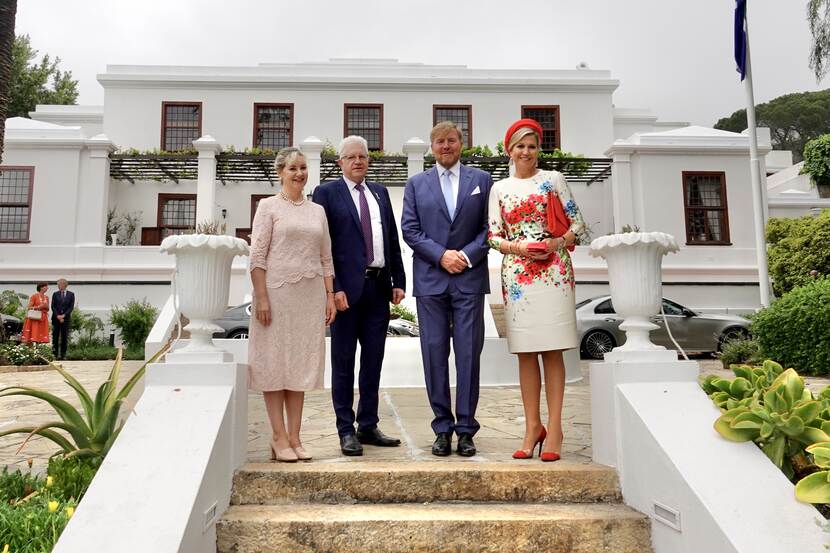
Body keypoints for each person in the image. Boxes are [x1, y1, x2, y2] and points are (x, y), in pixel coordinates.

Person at [486, 118, 587, 462]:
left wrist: (557, 241)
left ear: (538, 149)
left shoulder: (553, 180)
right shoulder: (499, 188)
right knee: (526, 351)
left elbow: (579, 225)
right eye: (519, 146)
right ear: (509, 151)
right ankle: (532, 426)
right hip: (518, 276)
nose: (526, 152)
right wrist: (519, 249)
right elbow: (494, 236)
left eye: (531, 145)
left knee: (553, 350)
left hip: (555, 271)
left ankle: (555, 428)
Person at [401, 121, 492, 457]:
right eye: (439, 142)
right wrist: (441, 256)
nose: (445, 146)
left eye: (451, 140)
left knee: (469, 355)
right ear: (432, 146)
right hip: (431, 281)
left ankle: (466, 430)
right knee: (434, 355)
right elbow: (409, 229)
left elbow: (489, 228)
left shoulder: (481, 181)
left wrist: (465, 257)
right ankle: (442, 427)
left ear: (461, 143)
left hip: (469, 280)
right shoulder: (416, 184)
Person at [312, 136, 407, 456]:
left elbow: (390, 238)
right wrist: (333, 287)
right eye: (350, 157)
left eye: (362, 157)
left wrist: (398, 279)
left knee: (373, 361)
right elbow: (322, 245)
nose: (357, 162)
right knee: (343, 361)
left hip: (379, 287)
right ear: (340, 162)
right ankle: (345, 429)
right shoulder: (327, 193)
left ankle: (368, 424)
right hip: (345, 292)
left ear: (369, 161)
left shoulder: (379, 192)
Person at [248, 147, 336, 463]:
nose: (299, 173)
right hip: (275, 295)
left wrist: (329, 295)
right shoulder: (268, 207)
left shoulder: (317, 211)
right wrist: (260, 297)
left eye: (303, 167)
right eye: (292, 168)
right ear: (280, 172)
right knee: (275, 365)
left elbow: (326, 256)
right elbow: (257, 255)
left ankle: (296, 437)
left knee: (298, 366)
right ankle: (277, 436)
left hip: (309, 297)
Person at [51, 278, 75, 360]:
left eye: (59, 284)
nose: (58, 286)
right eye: (58, 285)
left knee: (64, 337)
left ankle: (63, 354)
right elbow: (53, 306)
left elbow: (71, 307)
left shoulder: (71, 294)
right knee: (55, 337)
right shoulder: (55, 294)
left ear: (64, 285)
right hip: (56, 319)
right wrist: (58, 315)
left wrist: (64, 315)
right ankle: (55, 354)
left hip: (66, 319)